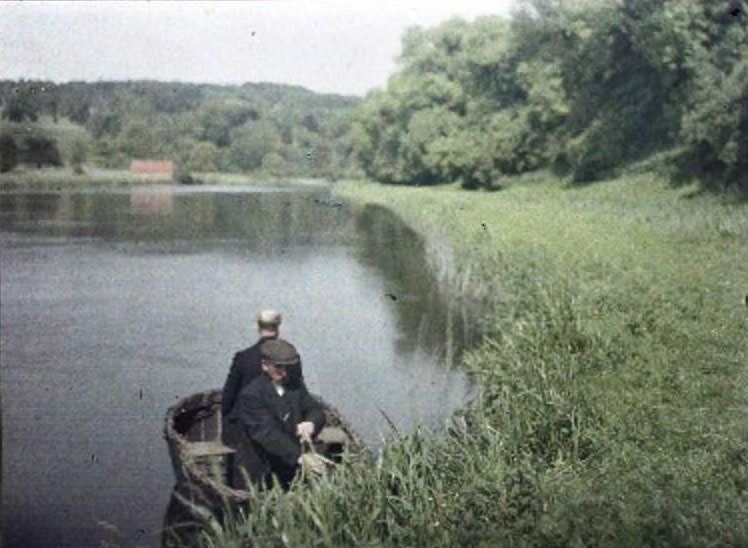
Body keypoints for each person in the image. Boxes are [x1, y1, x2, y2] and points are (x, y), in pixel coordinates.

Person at [221, 309, 304, 486]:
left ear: (257, 327)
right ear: (279, 327)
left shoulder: (243, 357)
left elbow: (228, 398)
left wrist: (228, 427)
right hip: (283, 424)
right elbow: (298, 394)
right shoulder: (293, 358)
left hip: (250, 427)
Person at [236, 339, 326, 489]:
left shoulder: (295, 387)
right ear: (264, 365)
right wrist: (300, 457)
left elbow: (315, 410)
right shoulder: (251, 395)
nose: (284, 373)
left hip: (289, 467)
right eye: (278, 367)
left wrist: (311, 423)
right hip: (260, 472)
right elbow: (267, 434)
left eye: (287, 367)